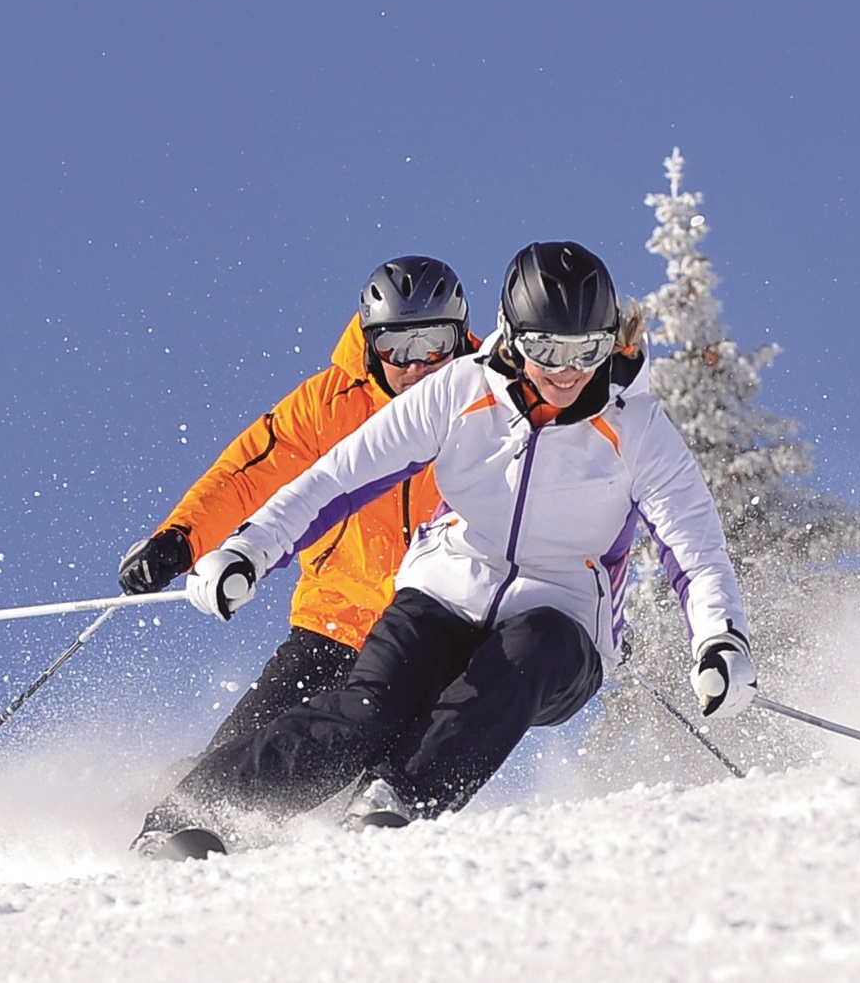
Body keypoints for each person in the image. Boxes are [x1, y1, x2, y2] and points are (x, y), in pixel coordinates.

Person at [144, 240, 758, 854]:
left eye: (586, 351)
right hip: (443, 597)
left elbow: (695, 550)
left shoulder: (639, 430)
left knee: (521, 654)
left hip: (562, 630)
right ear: (511, 336)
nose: (567, 372)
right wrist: (251, 550)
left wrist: (719, 639)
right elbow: (339, 478)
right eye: (546, 349)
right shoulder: (462, 392)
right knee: (365, 708)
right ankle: (186, 818)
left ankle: (396, 803)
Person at [117, 256, 474, 824]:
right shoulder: (327, 405)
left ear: (461, 334)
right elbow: (247, 473)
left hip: (437, 624)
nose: (418, 367)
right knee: (241, 754)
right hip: (335, 622)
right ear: (368, 343)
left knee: (383, 761)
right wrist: (179, 541)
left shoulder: (486, 399)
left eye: (434, 344)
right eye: (396, 348)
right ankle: (173, 822)